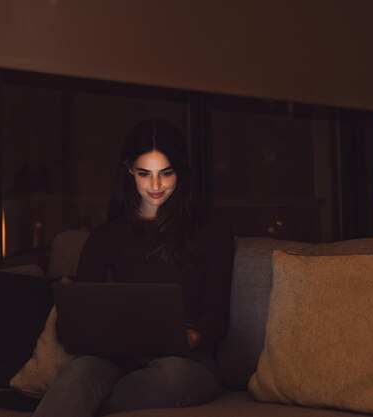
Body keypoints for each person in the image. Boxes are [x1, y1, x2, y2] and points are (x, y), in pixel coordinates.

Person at [32, 118, 234, 417]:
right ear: (129, 170)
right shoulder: (106, 237)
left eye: (166, 173)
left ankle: (86, 405)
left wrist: (192, 336)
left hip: (187, 362)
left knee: (173, 376)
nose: (155, 186)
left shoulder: (211, 228)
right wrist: (86, 330)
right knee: (80, 372)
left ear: (181, 171)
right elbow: (72, 324)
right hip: (117, 358)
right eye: (144, 174)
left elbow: (217, 315)